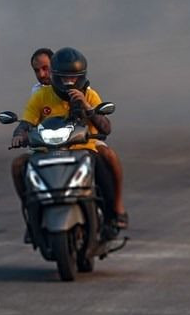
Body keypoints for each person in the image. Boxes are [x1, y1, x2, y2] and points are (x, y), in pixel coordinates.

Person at [10, 47, 128, 230]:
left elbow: (106, 128)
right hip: (48, 148)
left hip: (84, 146)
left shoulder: (89, 94)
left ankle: (113, 211)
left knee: (104, 164)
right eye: (64, 78)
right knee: (18, 165)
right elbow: (26, 121)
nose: (69, 82)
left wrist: (86, 106)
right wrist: (19, 134)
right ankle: (32, 214)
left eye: (73, 78)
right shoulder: (40, 95)